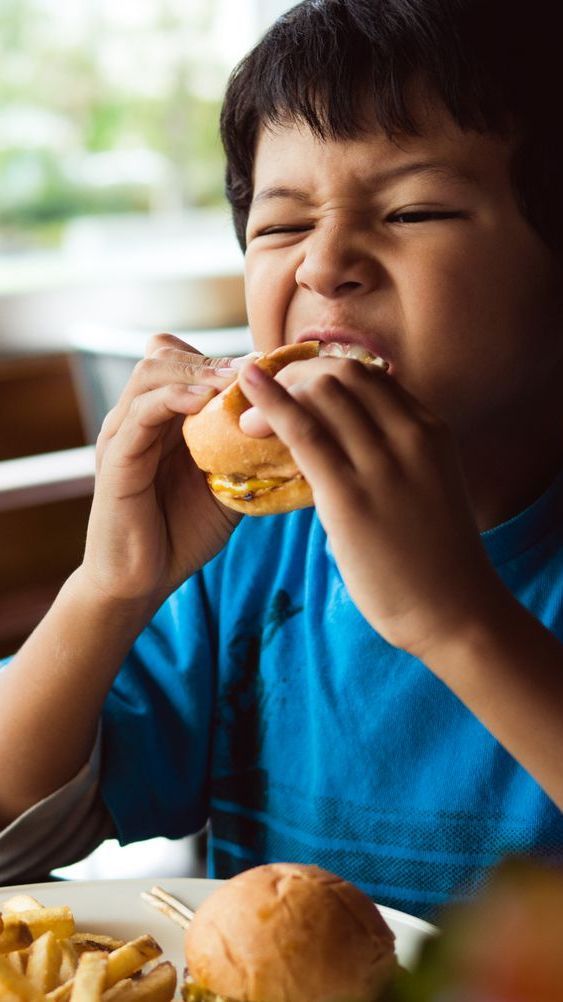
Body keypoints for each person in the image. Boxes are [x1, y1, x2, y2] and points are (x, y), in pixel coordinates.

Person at [1, 0, 562, 920]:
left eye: (414, 209)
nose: (323, 263)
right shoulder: (253, 550)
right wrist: (109, 589)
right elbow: (17, 828)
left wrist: (450, 617)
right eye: (280, 225)